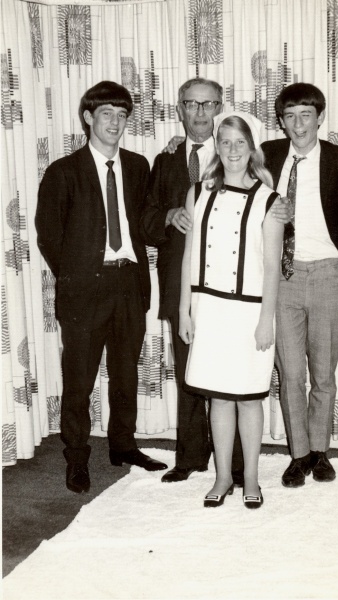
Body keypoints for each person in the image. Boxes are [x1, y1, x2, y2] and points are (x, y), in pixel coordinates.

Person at [35, 81, 167, 494]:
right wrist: (79, 275)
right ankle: (76, 457)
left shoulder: (138, 165)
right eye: (106, 113)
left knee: (126, 373)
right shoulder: (64, 171)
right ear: (88, 117)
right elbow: (48, 235)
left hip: (129, 283)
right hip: (85, 290)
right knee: (80, 379)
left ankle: (123, 446)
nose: (115, 122)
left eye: (122, 115)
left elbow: (145, 220)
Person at [261, 83, 338, 488]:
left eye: (306, 115)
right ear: (281, 121)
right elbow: (228, 162)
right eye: (290, 116)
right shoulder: (268, 156)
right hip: (283, 278)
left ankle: (321, 451)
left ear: (319, 117)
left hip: (329, 273)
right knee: (290, 374)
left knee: (323, 375)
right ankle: (298, 456)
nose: (298, 124)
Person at [141, 78, 246, 484]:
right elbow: (145, 219)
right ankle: (190, 458)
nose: (200, 112)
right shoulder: (165, 161)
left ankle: (235, 464)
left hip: (227, 286)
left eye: (207, 104)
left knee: (228, 377)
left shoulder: (233, 154)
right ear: (180, 109)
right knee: (187, 372)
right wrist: (167, 217)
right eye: (191, 104)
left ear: (219, 107)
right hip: (178, 282)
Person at [179, 112, 284, 508]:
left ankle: (252, 479)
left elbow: (272, 266)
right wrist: (185, 310)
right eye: (225, 142)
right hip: (209, 308)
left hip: (249, 313)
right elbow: (190, 255)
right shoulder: (199, 191)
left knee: (248, 398)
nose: (233, 150)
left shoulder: (270, 201)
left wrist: (265, 321)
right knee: (219, 398)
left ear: (252, 147)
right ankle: (222, 478)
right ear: (216, 147)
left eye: (240, 143)